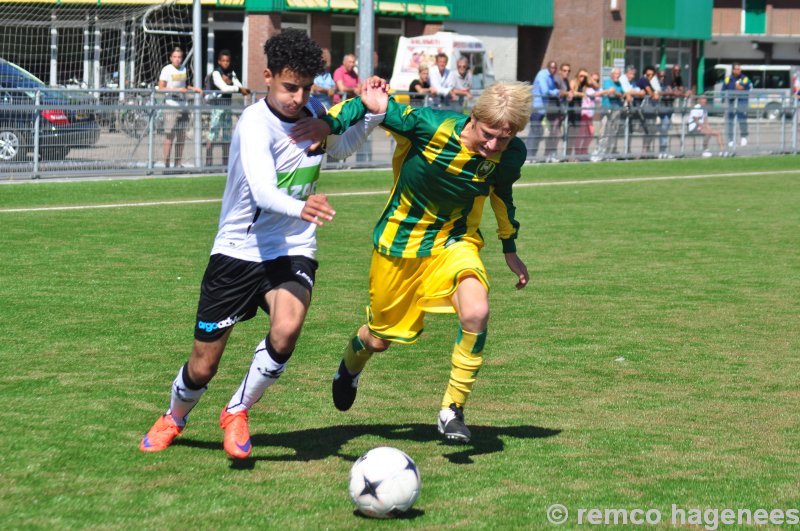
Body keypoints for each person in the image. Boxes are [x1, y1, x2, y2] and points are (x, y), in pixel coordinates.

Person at [139, 29, 385, 460]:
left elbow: (341, 149)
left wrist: (371, 114)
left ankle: (237, 410)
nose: (299, 96)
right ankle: (174, 417)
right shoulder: (254, 123)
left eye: (306, 87)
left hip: (290, 247)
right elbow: (262, 191)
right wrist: (302, 207)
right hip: (237, 252)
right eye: (290, 87)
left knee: (287, 329)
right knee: (203, 366)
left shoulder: (314, 110)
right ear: (268, 77)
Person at [295, 81, 532, 445]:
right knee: (377, 340)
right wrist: (328, 125)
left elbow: (502, 194)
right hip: (398, 245)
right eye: (488, 135)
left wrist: (509, 247)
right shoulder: (429, 125)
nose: (493, 146)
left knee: (476, 310)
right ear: (474, 117)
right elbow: (372, 104)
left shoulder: (510, 153)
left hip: (455, 242)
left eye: (504, 138)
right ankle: (349, 368)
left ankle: (452, 408)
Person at [158, 46, 203, 169]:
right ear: (171, 58)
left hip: (183, 105)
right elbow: (161, 88)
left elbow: (184, 85)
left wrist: (193, 88)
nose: (177, 59)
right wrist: (177, 90)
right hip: (171, 106)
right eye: (175, 57)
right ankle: (166, 164)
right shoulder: (166, 70)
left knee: (181, 136)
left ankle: (177, 164)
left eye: (179, 57)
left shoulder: (183, 69)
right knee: (169, 136)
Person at [205, 49, 251, 167]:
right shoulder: (216, 72)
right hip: (217, 106)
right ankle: (208, 163)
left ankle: (225, 164)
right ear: (219, 61)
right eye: (223, 60)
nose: (225, 63)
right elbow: (224, 88)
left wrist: (238, 87)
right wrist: (237, 89)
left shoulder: (231, 72)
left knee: (227, 135)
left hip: (227, 106)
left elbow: (239, 84)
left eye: (227, 61)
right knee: (213, 134)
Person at [529, 61, 559, 160]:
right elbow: (545, 91)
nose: (553, 69)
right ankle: (529, 156)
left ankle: (532, 156)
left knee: (539, 132)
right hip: (537, 108)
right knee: (534, 132)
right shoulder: (543, 75)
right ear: (548, 67)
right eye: (552, 67)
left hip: (542, 110)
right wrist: (557, 92)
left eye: (555, 68)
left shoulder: (550, 77)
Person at [544, 63, 572, 161]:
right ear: (560, 71)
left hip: (561, 111)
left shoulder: (566, 82)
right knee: (555, 132)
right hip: (553, 109)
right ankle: (548, 153)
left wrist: (569, 94)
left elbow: (567, 93)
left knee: (555, 132)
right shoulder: (556, 79)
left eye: (568, 71)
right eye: (564, 70)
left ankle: (552, 153)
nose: (567, 73)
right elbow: (556, 91)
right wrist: (567, 93)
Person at [722, 63, 752, 148]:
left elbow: (750, 87)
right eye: (737, 69)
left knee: (742, 119)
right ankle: (731, 140)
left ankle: (743, 137)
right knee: (730, 121)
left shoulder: (745, 78)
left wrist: (743, 88)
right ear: (733, 70)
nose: (739, 71)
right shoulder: (728, 79)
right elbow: (723, 91)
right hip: (731, 103)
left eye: (740, 69)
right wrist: (733, 90)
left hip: (742, 102)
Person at [599, 67, 625, 157]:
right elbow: (610, 93)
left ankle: (610, 152)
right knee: (604, 130)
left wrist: (617, 94)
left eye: (619, 74)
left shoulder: (619, 84)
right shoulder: (607, 82)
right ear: (612, 74)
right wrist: (616, 94)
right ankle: (601, 151)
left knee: (614, 131)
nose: (617, 76)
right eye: (616, 73)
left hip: (617, 110)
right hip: (607, 109)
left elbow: (621, 94)